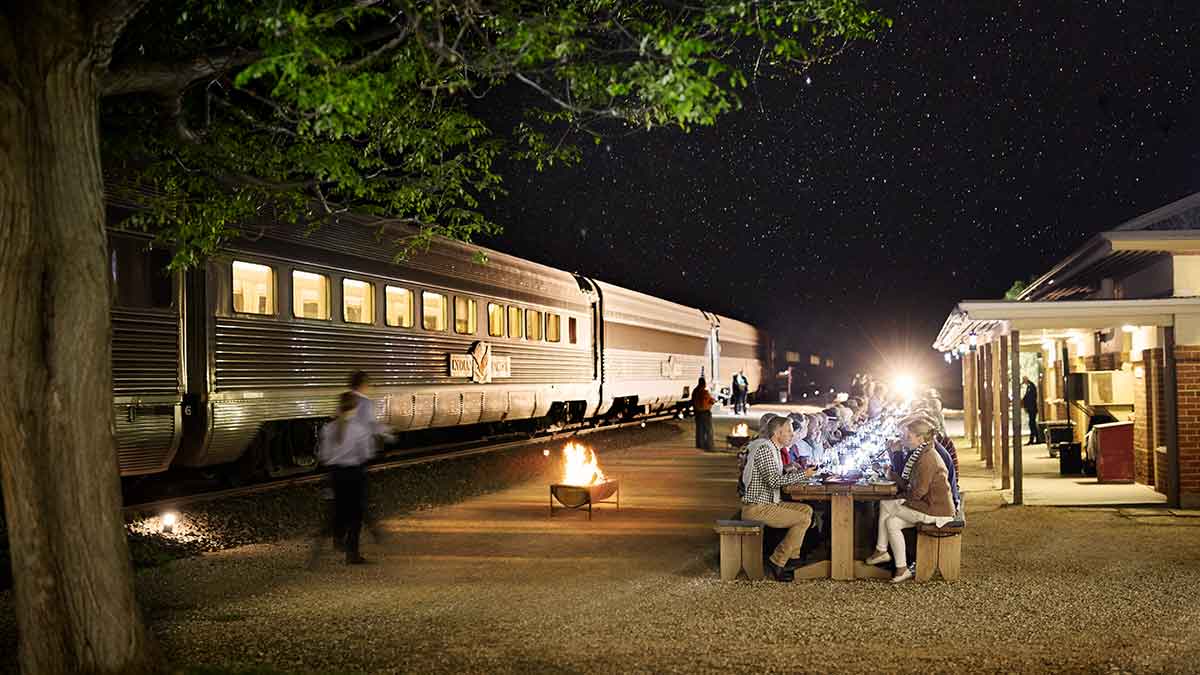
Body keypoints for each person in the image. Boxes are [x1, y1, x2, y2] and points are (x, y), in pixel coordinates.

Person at [865, 418, 956, 582]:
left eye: (908, 436)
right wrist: (892, 475)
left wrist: (900, 498)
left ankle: (881, 550)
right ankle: (901, 569)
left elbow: (918, 492)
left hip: (936, 510)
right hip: (930, 505)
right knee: (891, 522)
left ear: (920, 438)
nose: (904, 439)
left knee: (886, 504)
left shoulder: (928, 458)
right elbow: (910, 485)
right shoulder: (922, 453)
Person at [741, 416, 816, 581]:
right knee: (803, 519)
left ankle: (792, 557)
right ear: (777, 432)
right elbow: (774, 481)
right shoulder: (765, 449)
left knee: (807, 510)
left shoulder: (774, 449)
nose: (792, 434)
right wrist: (804, 474)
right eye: (788, 431)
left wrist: (791, 470)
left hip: (768, 502)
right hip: (757, 507)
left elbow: (773, 477)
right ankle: (778, 561)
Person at [315, 391, 375, 565]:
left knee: (339, 510)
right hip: (354, 474)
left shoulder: (328, 428)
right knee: (356, 514)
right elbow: (366, 453)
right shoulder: (359, 429)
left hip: (335, 474)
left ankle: (337, 539)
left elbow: (323, 455)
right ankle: (352, 554)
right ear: (355, 408)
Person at [692, 377, 715, 450]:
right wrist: (712, 401)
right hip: (705, 413)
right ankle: (709, 446)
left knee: (699, 430)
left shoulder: (695, 391)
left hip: (697, 413)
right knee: (708, 430)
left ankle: (699, 445)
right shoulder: (704, 392)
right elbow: (709, 401)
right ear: (704, 384)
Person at [1022, 376, 1043, 444]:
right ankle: (1035, 439)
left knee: (1032, 424)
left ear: (1026, 380)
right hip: (1031, 408)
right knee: (1032, 424)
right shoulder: (1029, 386)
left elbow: (1030, 397)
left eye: (1023, 380)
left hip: (1032, 408)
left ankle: (1035, 439)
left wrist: (1024, 402)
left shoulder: (1031, 386)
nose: (1023, 382)